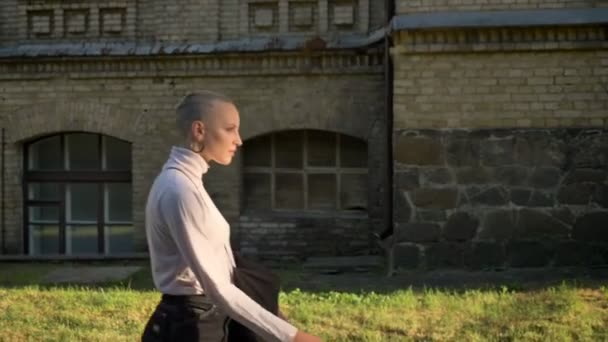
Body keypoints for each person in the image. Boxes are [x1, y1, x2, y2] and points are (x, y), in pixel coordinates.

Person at [141, 91, 322, 342]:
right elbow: (218, 288)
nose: (239, 140)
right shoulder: (179, 189)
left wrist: (275, 314)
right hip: (192, 326)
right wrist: (292, 337)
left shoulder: (186, 183)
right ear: (199, 130)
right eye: (230, 129)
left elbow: (222, 268)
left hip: (203, 319)